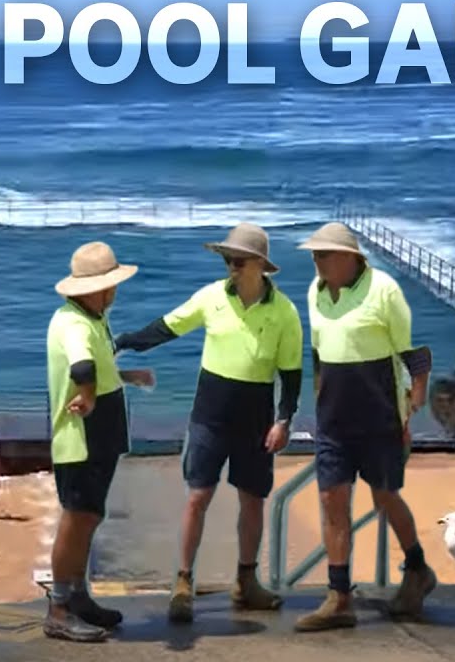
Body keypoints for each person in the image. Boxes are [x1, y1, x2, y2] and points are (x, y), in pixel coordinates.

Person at [114, 223, 302, 623]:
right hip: (209, 417)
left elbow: (291, 374)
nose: (231, 266)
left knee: (253, 500)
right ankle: (183, 582)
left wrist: (284, 420)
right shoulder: (211, 296)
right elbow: (167, 327)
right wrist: (124, 341)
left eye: (238, 260)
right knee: (198, 497)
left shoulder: (285, 312)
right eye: (227, 259)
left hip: (256, 419)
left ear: (260, 265)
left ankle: (246, 582)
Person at [293, 222, 435, 632]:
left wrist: (412, 407)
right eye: (314, 255)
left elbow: (413, 354)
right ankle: (339, 597)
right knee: (331, 501)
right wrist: (317, 399)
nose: (316, 261)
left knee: (384, 498)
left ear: (349, 257)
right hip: (333, 421)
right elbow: (318, 353)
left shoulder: (384, 290)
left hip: (380, 418)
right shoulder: (315, 292)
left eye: (323, 254)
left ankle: (417, 568)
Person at [44, 241, 153, 643]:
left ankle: (78, 598)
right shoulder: (74, 324)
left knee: (89, 515)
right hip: (81, 438)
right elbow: (82, 367)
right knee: (76, 518)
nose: (115, 292)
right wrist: (88, 396)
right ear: (97, 288)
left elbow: (96, 366)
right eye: (111, 285)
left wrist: (127, 377)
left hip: (100, 436)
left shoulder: (92, 319)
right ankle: (58, 608)